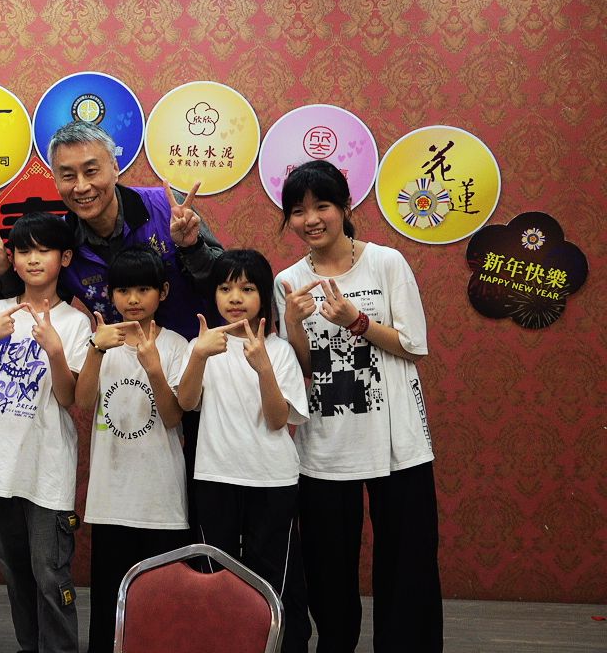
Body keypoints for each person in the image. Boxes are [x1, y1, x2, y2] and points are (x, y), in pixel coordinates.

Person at [0, 120, 222, 518]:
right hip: (124, 382)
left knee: (206, 493)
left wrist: (190, 247)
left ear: (115, 168)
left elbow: (225, 283)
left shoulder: (165, 207)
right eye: (68, 175)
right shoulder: (65, 241)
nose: (82, 186)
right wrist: (3, 267)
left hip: (196, 370)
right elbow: (40, 302)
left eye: (91, 170)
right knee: (140, 489)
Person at [275, 160, 442, 653]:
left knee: (408, 563)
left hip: (397, 444)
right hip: (327, 443)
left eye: (322, 206)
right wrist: (293, 323)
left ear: (346, 207)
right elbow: (302, 370)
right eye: (298, 210)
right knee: (328, 568)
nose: (311, 219)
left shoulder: (386, 262)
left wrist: (357, 321)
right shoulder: (289, 280)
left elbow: (413, 345)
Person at [0, 212, 92, 653]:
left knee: (51, 574)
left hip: (48, 468)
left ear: (64, 257)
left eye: (44, 250)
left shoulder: (75, 323)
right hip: (0, 467)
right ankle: (29, 646)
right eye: (24, 250)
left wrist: (55, 351)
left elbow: (69, 398)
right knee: (14, 571)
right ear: (11, 259)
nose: (33, 259)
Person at [177, 249, 311, 653]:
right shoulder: (202, 344)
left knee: (273, 575)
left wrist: (263, 367)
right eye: (225, 288)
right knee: (216, 572)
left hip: (271, 479)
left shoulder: (280, 350)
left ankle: (280, 644)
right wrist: (199, 355)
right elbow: (186, 402)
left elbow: (277, 420)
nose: (235, 297)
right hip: (215, 475)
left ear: (263, 295)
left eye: (247, 288)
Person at [73, 245, 191, 653]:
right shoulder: (100, 343)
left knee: (161, 609)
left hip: (162, 500)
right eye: (123, 290)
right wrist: (96, 348)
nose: (133, 299)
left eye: (144, 289)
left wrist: (153, 367)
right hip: (111, 499)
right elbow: (82, 401)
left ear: (163, 292)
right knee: (110, 609)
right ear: (111, 294)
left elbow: (173, 417)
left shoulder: (177, 345)